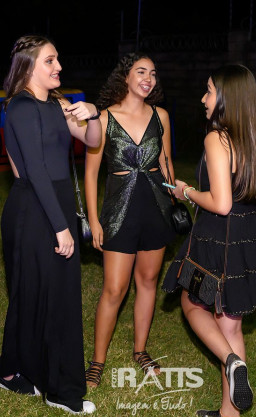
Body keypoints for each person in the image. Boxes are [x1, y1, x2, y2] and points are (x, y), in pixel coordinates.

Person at [162, 64, 256, 417]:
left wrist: (187, 192)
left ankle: (231, 361)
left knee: (191, 303)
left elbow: (221, 203)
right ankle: (229, 415)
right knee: (230, 325)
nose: (204, 99)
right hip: (251, 235)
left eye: (209, 91)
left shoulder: (217, 139)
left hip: (220, 239)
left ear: (227, 97)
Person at [0, 34, 101, 415]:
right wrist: (61, 226)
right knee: (35, 294)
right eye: (50, 61)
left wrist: (92, 115)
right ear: (28, 66)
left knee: (54, 297)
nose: (59, 67)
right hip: (33, 209)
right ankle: (43, 383)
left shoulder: (58, 105)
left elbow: (92, 141)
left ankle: (24, 373)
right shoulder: (20, 107)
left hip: (56, 205)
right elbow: (35, 170)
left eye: (57, 60)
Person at [83, 52, 176, 388]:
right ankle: (97, 361)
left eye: (153, 73)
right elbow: (91, 173)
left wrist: (176, 198)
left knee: (148, 281)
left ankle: (140, 351)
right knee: (114, 289)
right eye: (141, 72)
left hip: (155, 208)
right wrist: (94, 220)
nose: (148, 78)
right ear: (125, 76)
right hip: (119, 212)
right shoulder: (103, 118)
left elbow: (166, 164)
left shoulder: (161, 116)